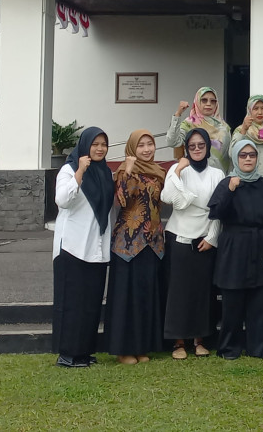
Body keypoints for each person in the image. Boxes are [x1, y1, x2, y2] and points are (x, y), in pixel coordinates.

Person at [208, 140, 263, 360]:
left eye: (252, 155)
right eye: (243, 155)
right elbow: (217, 213)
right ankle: (229, 348)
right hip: (234, 246)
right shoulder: (227, 183)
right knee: (232, 302)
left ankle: (257, 347)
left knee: (259, 302)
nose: (248, 159)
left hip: (260, 244)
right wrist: (230, 191)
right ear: (236, 158)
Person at [52, 127, 114, 368]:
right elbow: (62, 200)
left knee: (91, 302)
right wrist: (79, 172)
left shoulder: (105, 173)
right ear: (85, 146)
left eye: (103, 144)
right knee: (72, 302)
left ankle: (85, 351)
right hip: (72, 246)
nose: (99, 149)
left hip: (96, 247)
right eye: (95, 144)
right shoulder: (68, 170)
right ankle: (68, 353)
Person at [162, 128, 224, 360]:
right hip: (179, 237)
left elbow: (218, 210)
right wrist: (178, 170)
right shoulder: (177, 170)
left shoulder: (217, 174)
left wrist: (212, 238)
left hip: (205, 239)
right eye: (192, 146)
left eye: (201, 145)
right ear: (186, 148)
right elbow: (170, 198)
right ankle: (178, 342)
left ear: (207, 147)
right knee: (178, 292)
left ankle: (200, 340)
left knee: (202, 292)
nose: (197, 149)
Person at [105, 130, 166, 365]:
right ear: (132, 148)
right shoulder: (123, 171)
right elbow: (122, 199)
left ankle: (142, 347)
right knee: (126, 297)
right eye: (141, 145)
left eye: (150, 144)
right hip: (128, 244)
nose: (147, 149)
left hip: (152, 243)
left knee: (145, 295)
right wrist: (128, 170)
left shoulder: (158, 172)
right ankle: (123, 350)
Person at [166, 87, 232, 172]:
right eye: (204, 100)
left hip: (220, 176)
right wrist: (178, 114)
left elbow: (229, 156)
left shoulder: (224, 127)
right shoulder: (189, 124)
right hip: (195, 174)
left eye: (213, 101)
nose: (208, 104)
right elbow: (172, 141)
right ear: (197, 102)